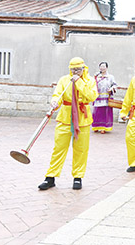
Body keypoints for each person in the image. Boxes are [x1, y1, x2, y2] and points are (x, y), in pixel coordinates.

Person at [38, 57, 98, 190]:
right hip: (65, 117)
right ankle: (50, 177)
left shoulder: (90, 81)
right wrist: (54, 102)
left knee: (81, 150)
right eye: (73, 69)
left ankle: (78, 177)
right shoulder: (64, 80)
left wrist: (79, 83)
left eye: (78, 69)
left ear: (84, 68)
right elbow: (58, 95)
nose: (76, 71)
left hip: (83, 119)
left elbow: (92, 96)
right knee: (58, 148)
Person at [91, 61, 117, 134]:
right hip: (98, 97)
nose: (102, 68)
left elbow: (114, 85)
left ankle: (104, 127)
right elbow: (92, 85)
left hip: (106, 97)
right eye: (101, 66)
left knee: (105, 113)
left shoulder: (110, 77)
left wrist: (111, 89)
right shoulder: (96, 76)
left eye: (104, 66)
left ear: (107, 68)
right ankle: (96, 126)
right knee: (97, 112)